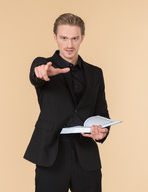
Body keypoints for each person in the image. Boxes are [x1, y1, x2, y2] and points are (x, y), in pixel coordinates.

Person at [24, 13, 110, 192]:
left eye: (74, 38)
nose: (69, 45)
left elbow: (102, 112)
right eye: (64, 38)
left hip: (86, 156)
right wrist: (41, 72)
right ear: (55, 37)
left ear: (82, 38)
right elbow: (36, 75)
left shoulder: (96, 73)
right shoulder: (44, 65)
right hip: (52, 155)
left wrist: (102, 131)